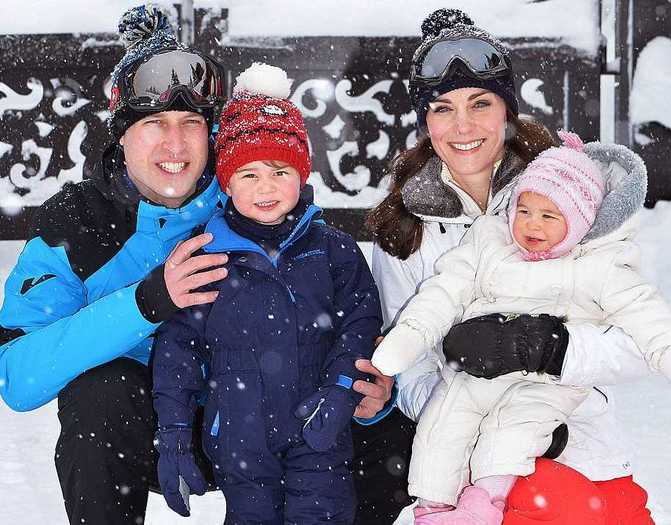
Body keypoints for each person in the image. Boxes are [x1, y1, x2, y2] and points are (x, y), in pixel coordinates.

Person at [0, 6, 391, 525]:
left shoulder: (251, 195)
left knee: (392, 427)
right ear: (121, 133)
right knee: (99, 396)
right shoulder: (78, 224)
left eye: (191, 123)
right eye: (153, 124)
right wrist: (144, 303)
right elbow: (17, 376)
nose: (176, 144)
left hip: (277, 414)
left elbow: (345, 315)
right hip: (159, 426)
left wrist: (371, 393)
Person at [366, 8, 658, 525]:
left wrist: (546, 348)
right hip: (473, 464)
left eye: (481, 103)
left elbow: (637, 344)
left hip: (581, 444)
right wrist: (477, 399)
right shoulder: (405, 231)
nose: (463, 126)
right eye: (442, 108)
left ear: (507, 111)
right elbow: (408, 372)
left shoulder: (571, 195)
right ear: (424, 121)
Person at [372, 129, 671, 523]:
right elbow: (441, 294)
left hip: (547, 392)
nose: (532, 225)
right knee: (442, 426)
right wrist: (411, 338)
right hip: (472, 377)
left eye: (548, 216)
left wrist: (549, 347)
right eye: (524, 211)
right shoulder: (483, 242)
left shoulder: (594, 263)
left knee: (510, 434)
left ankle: (482, 505)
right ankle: (435, 509)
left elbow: (644, 316)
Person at [150, 63, 383, 524]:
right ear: (227, 183)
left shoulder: (331, 249)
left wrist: (340, 388)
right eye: (249, 175)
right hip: (240, 442)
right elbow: (178, 349)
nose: (266, 188)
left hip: (318, 432)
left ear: (301, 175)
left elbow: (360, 322)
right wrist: (175, 430)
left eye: (279, 171)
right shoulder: (206, 255)